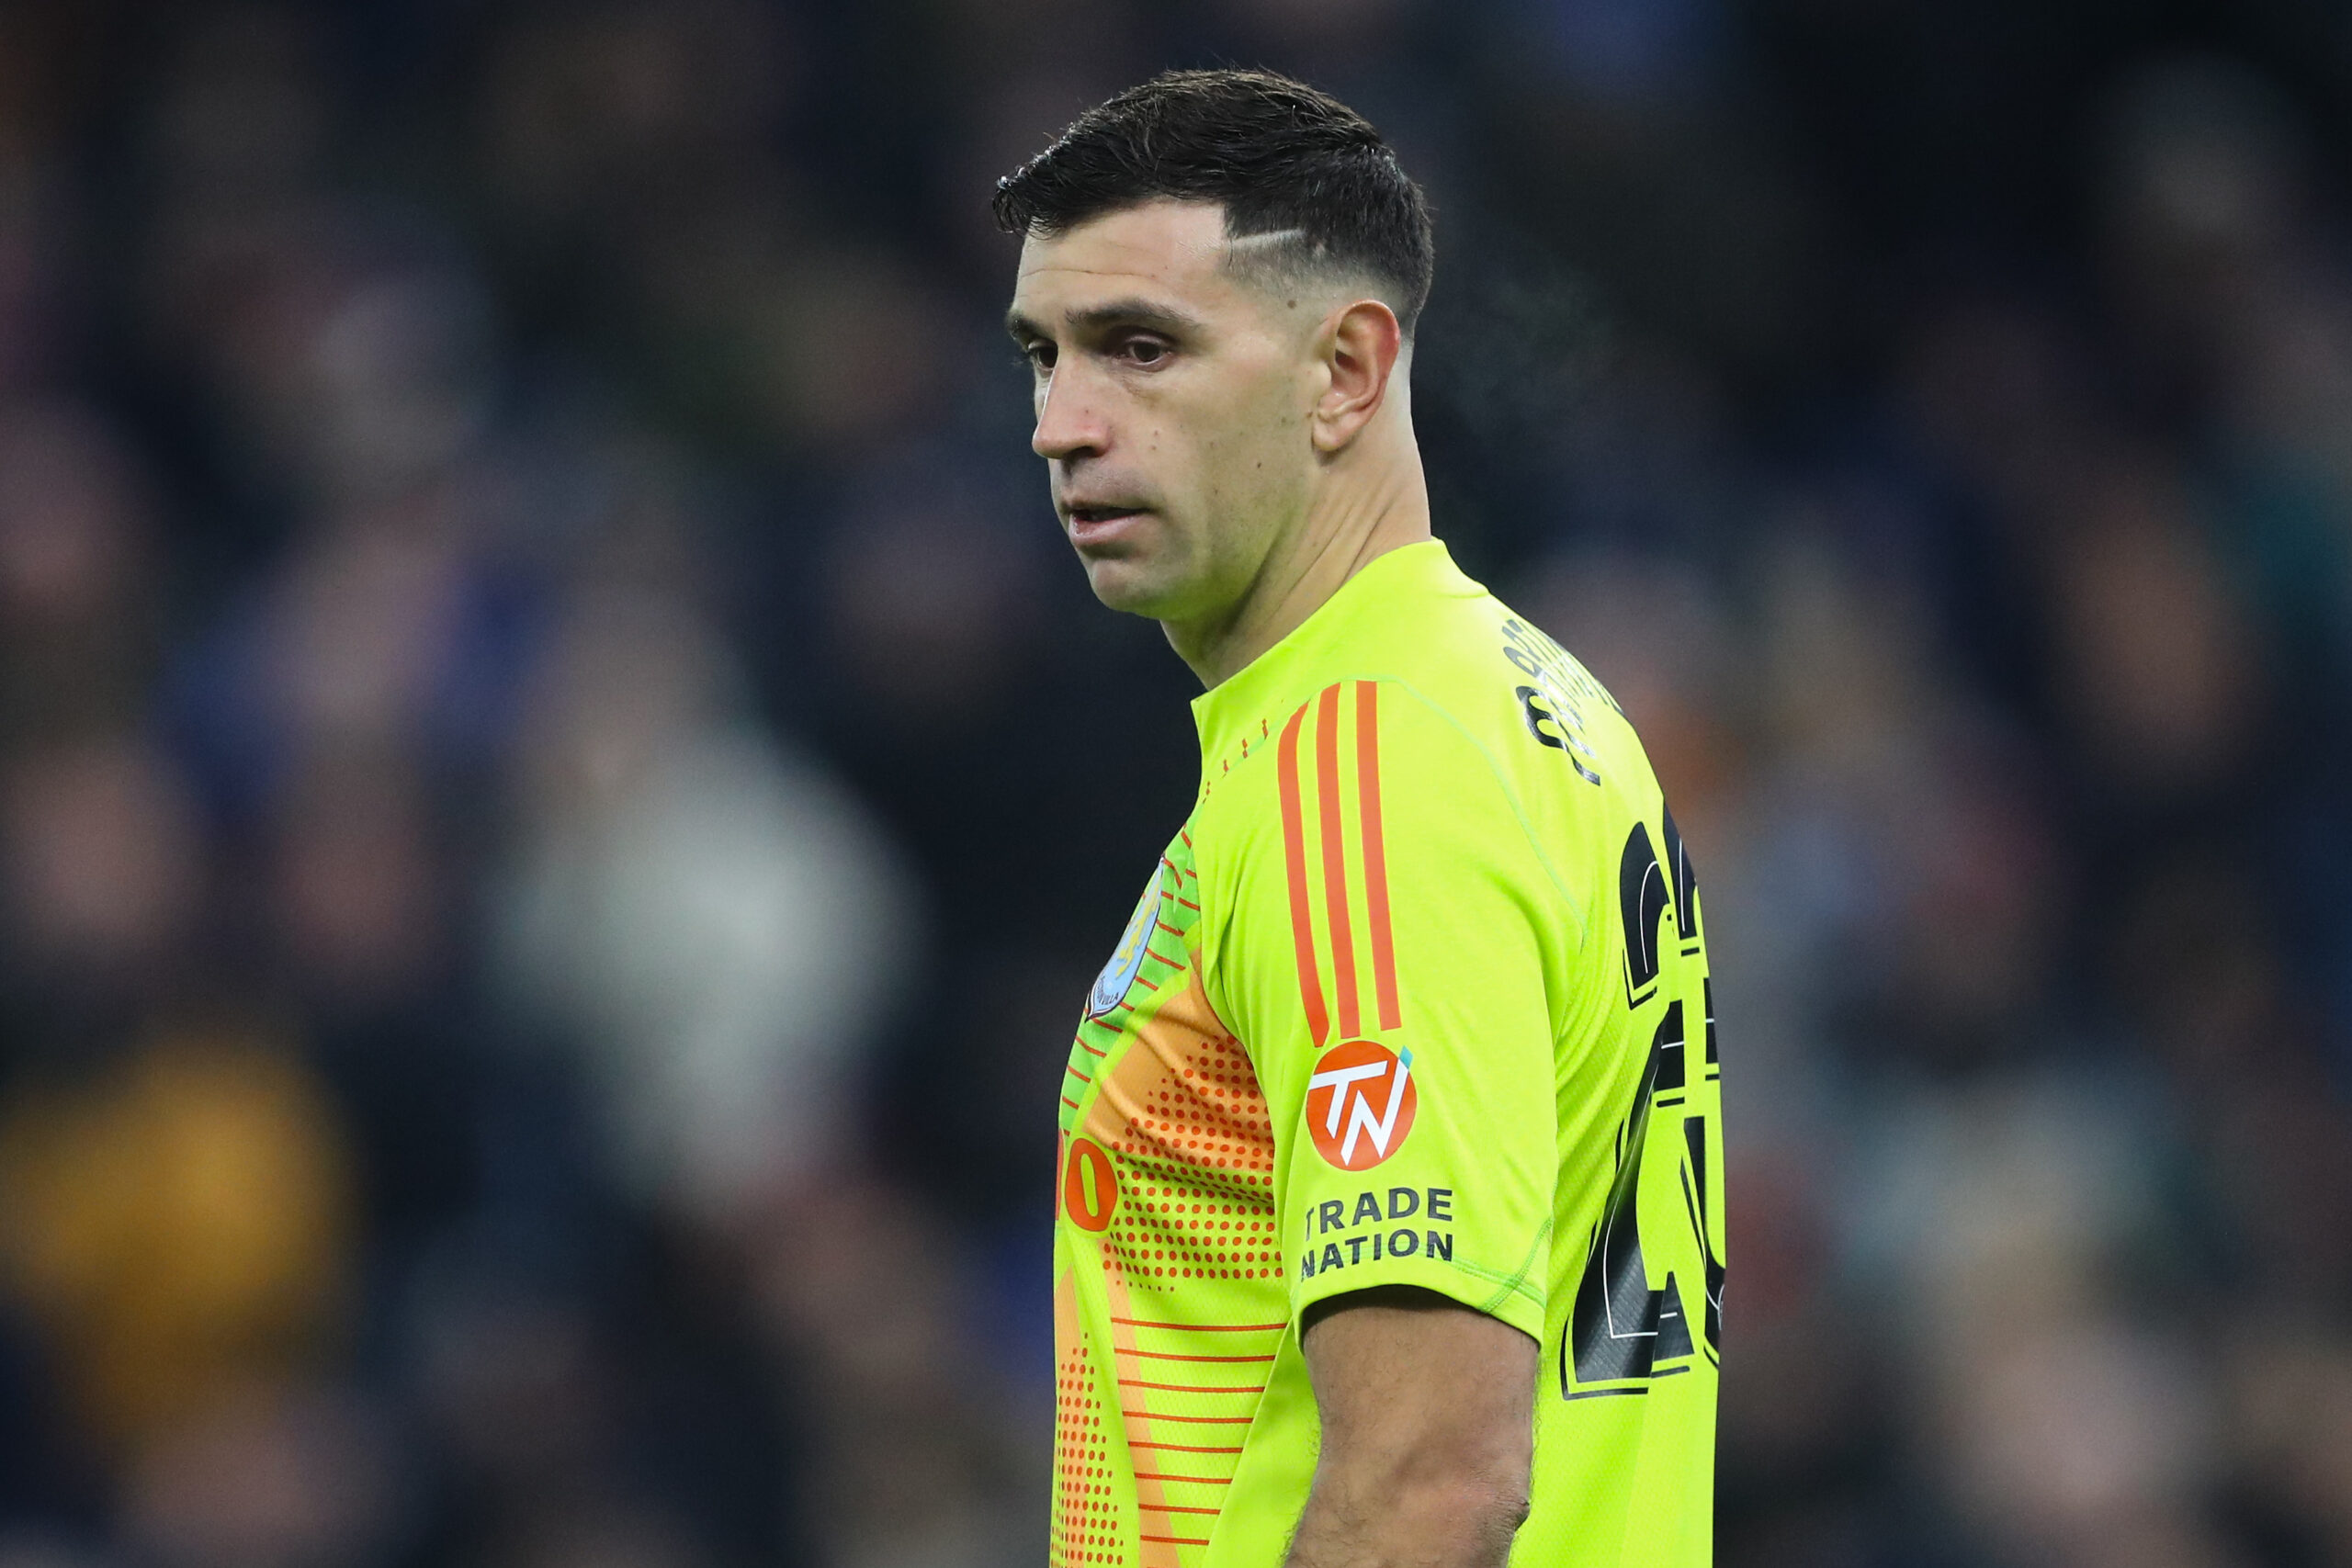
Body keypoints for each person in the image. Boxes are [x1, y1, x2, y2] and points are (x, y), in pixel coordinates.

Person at [999, 70, 1723, 1568]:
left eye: (1141, 349)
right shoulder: (1521, 694)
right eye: (1043, 356)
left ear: (1346, 369)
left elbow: (1429, 1483)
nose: (1061, 426)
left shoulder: (1369, 764)